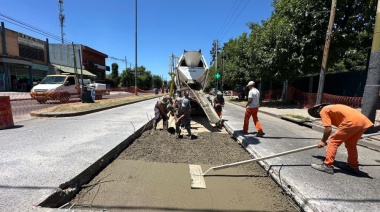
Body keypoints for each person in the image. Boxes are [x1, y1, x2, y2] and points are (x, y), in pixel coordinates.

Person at [308, 104, 373, 175]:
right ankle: (353, 166)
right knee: (351, 144)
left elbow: (328, 128)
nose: (318, 114)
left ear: (318, 109)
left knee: (333, 142)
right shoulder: (333, 108)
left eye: (315, 112)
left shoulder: (323, 110)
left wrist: (323, 141)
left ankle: (327, 165)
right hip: (363, 121)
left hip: (351, 121)